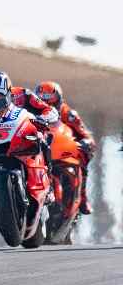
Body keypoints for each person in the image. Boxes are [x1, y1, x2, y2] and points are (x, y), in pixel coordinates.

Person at [35, 81, 95, 214]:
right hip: (40, 152)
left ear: (58, 100)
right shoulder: (31, 114)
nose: (47, 106)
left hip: (64, 151)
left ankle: (82, 197)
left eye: (50, 102)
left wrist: (86, 143)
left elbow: (85, 134)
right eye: (43, 102)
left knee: (85, 155)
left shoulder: (68, 114)